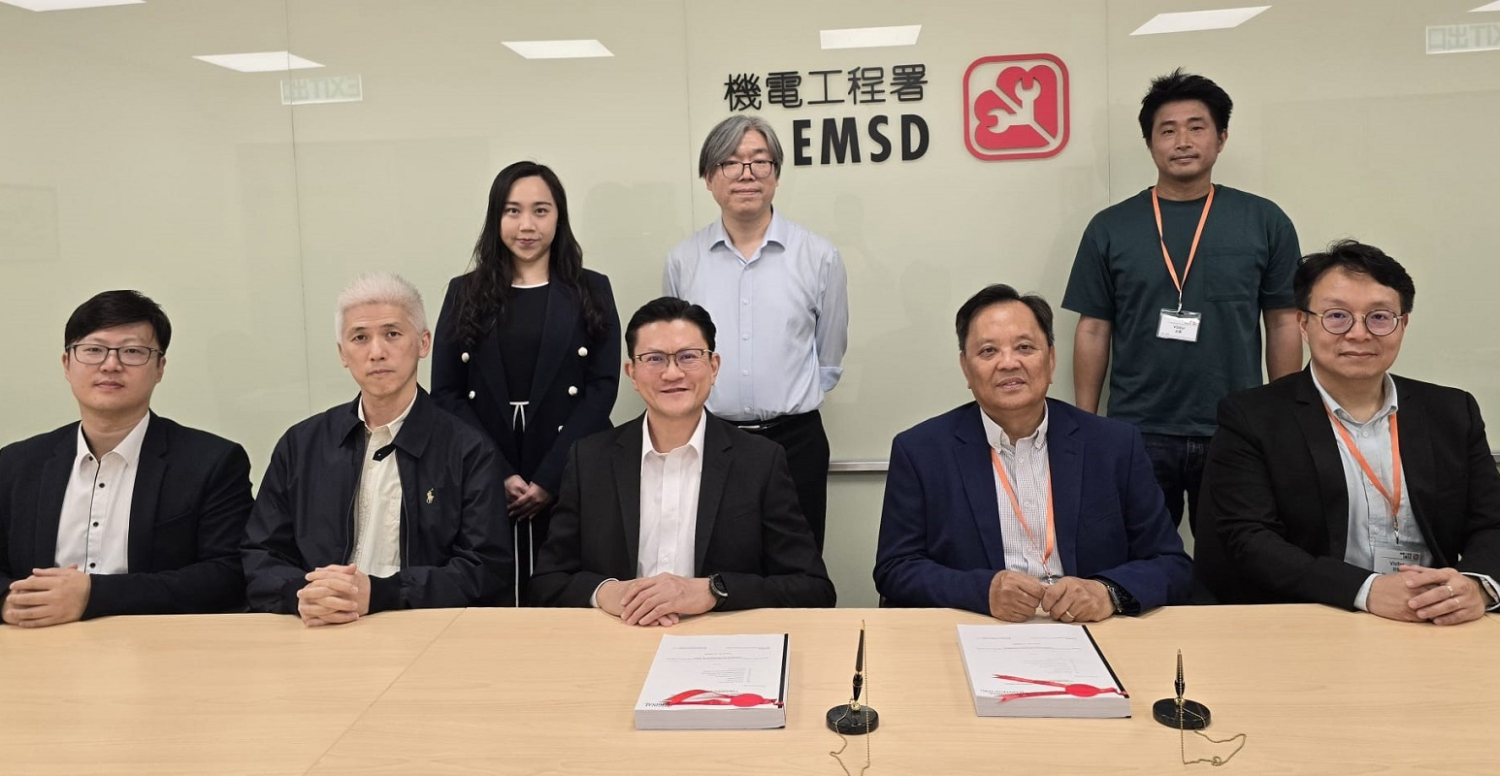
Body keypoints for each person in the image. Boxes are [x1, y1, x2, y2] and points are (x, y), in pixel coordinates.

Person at [1196, 241, 1500, 624]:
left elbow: (1492, 524)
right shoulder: (1252, 417)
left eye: (1379, 317)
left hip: (1433, 620)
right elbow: (1249, 539)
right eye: (1337, 316)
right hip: (1316, 618)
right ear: (1303, 324)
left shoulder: (1452, 411)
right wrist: (1366, 590)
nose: (1359, 333)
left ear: (1403, 324)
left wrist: (1476, 586)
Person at [1062, 69, 1302, 535]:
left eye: (1197, 127)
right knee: (1138, 556)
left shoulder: (1263, 220)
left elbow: (1283, 322)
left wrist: (1284, 415)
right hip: (1137, 429)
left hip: (1235, 426)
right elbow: (1093, 328)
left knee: (1234, 556)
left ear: (1221, 137)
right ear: (1150, 143)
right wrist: (1087, 424)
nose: (1183, 142)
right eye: (1167, 130)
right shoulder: (1110, 227)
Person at [875, 284, 1192, 622]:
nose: (1008, 363)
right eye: (988, 351)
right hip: (981, 628)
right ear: (966, 368)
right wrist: (982, 592)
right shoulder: (921, 451)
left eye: (1024, 347)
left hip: (1090, 629)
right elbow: (895, 568)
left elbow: (1171, 563)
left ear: (1051, 359)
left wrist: (1107, 592)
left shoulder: (1114, 445)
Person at [528, 297, 835, 624]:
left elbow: (812, 588)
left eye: (688, 357)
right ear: (632, 373)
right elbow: (546, 583)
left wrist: (713, 591)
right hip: (620, 636)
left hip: (719, 643)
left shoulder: (760, 461)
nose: (672, 373)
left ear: (713, 367)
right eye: (654, 359)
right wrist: (606, 592)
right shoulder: (590, 459)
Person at [243, 273, 511, 625]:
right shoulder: (301, 445)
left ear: (424, 343)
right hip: (317, 627)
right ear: (342, 353)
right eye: (360, 338)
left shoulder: (468, 450)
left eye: (392, 334)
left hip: (423, 631)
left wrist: (382, 593)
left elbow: (486, 568)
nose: (376, 352)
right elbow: (260, 555)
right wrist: (303, 594)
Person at [1, 291, 252, 627]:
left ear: (160, 368)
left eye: (132, 351)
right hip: (37, 642)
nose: (110, 365)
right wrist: (7, 601)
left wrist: (94, 596)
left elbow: (228, 574)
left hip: (158, 645)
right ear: (66, 364)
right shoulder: (16, 464)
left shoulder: (212, 461)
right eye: (93, 350)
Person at [433, 161, 620, 605]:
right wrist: (496, 471)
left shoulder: (591, 289)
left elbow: (602, 387)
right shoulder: (464, 292)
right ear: (496, 217)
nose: (527, 225)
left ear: (559, 216)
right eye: (513, 211)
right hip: (487, 455)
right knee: (491, 585)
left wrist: (550, 477)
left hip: (568, 455)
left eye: (541, 210)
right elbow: (447, 393)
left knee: (565, 582)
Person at [664, 115, 848, 550]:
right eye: (730, 162)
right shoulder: (683, 261)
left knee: (799, 564)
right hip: (711, 439)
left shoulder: (819, 256)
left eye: (759, 161)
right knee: (717, 562)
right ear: (709, 178)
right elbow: (677, 354)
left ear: (776, 174)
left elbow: (829, 357)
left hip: (795, 442)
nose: (746, 174)